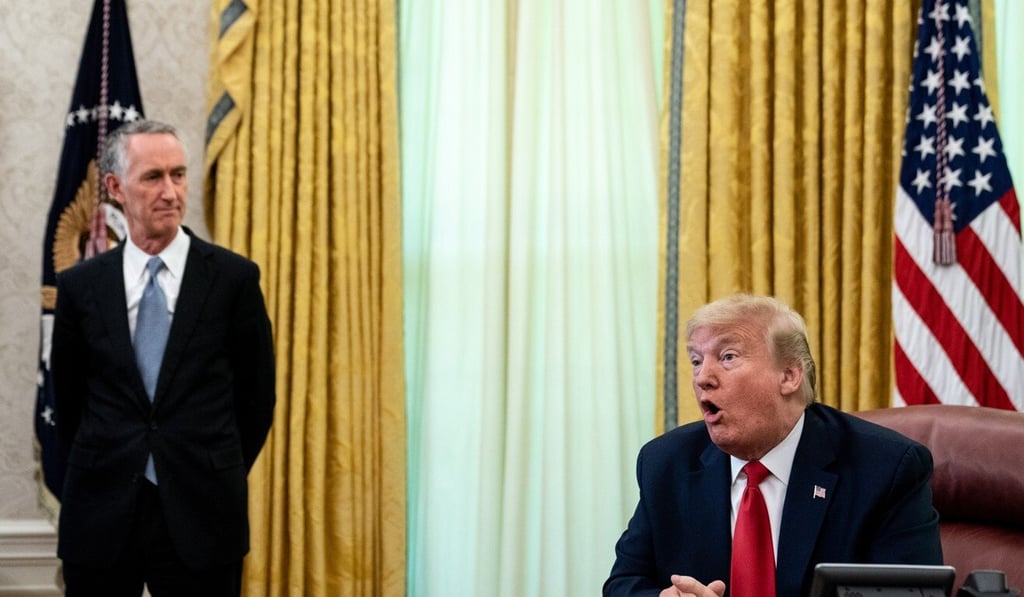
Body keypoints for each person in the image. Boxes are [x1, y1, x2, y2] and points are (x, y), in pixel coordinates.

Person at [51, 119, 276, 596]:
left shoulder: (234, 280)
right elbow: (68, 402)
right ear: (115, 187)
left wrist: (209, 465)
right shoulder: (80, 286)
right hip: (102, 511)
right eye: (152, 177)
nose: (170, 191)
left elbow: (256, 401)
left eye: (178, 174)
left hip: (204, 511)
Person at [604, 294, 942, 597]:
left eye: (727, 356)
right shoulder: (667, 463)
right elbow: (623, 584)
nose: (702, 377)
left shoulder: (886, 468)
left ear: (789, 375)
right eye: (695, 360)